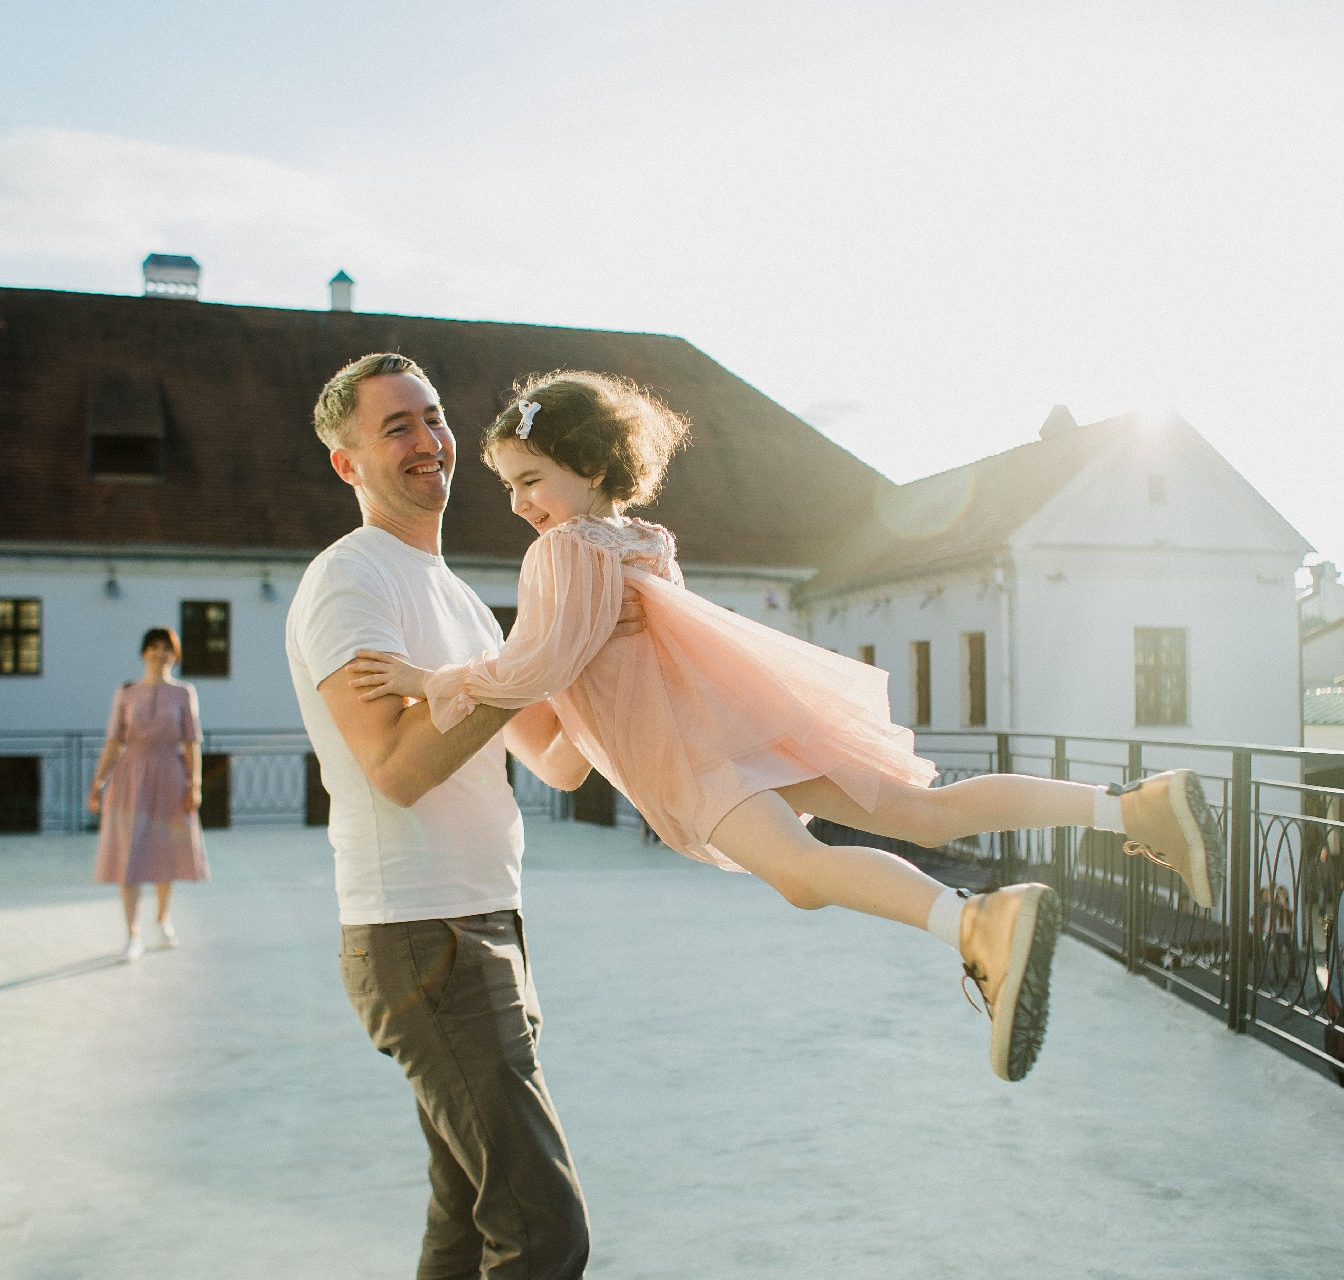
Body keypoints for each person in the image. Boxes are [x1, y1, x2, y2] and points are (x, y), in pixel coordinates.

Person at [349, 370, 1228, 1086]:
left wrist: (439, 680)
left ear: (586, 466)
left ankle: (977, 924)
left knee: (803, 873)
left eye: (529, 480)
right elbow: (576, 712)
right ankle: (1132, 810)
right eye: (509, 485)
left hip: (695, 756)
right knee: (929, 811)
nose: (517, 504)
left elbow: (535, 666)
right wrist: (551, 696)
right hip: (740, 726)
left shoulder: (562, 551)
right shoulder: (641, 540)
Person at [287, 354, 631, 1279]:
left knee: (470, 1220)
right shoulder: (348, 581)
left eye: (432, 418)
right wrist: (521, 669)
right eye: (395, 425)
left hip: (487, 921)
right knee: (543, 1231)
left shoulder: (463, 603)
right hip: (419, 931)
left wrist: (617, 658)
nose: (428, 440)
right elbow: (396, 768)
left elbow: (556, 760)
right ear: (348, 463)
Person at [88, 626, 209, 963]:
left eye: (166, 649)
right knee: (129, 852)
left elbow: (192, 741)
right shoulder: (126, 693)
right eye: (154, 647)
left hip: (170, 774)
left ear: (175, 655)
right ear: (144, 652)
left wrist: (195, 784)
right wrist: (98, 782)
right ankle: (132, 933)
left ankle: (162, 918)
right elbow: (115, 741)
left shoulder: (184, 693)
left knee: (164, 850)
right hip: (130, 777)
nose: (160, 654)